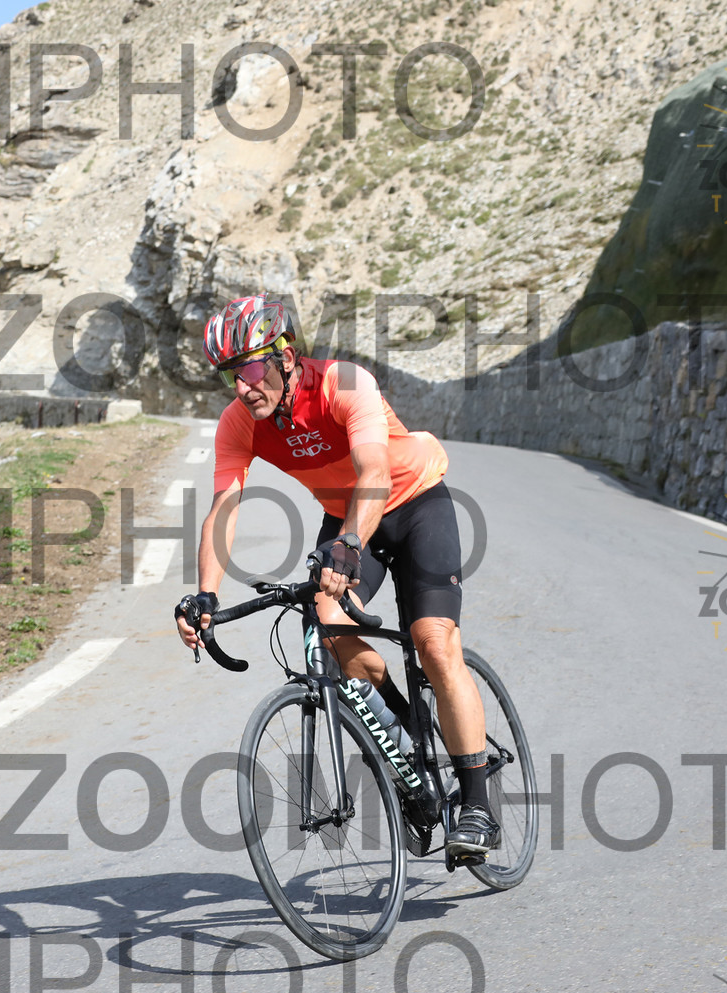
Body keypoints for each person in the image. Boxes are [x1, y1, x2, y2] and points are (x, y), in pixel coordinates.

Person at [174, 293, 499, 860]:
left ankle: (476, 807)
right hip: (347, 517)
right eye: (231, 375)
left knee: (433, 642)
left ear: (285, 357)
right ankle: (409, 728)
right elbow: (224, 508)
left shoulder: (343, 384)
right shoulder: (239, 423)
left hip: (414, 503)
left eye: (252, 369)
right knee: (326, 629)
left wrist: (349, 546)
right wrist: (206, 595)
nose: (243, 387)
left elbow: (374, 471)